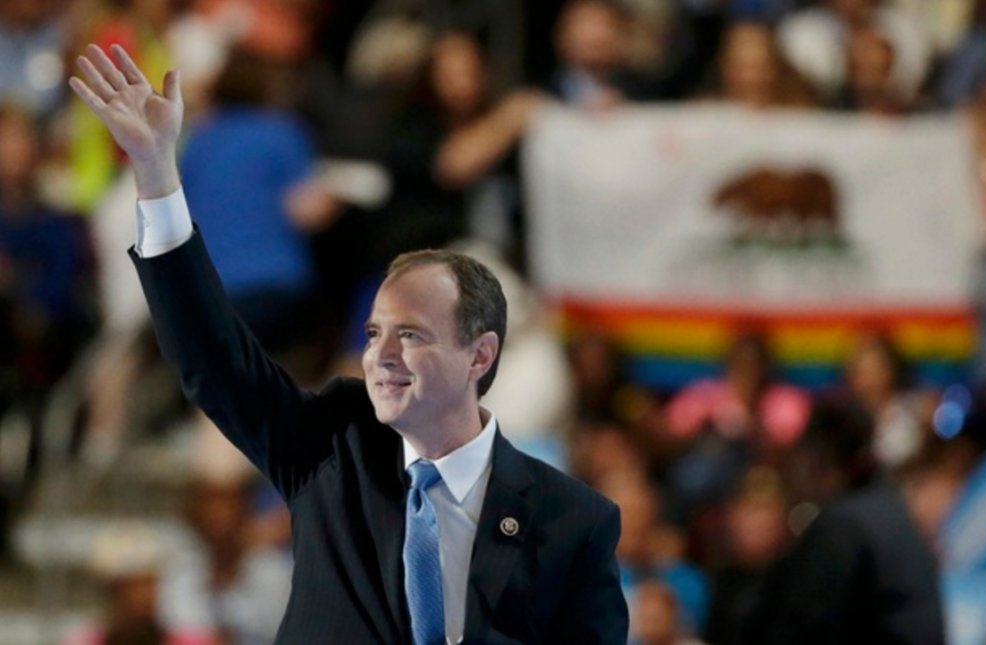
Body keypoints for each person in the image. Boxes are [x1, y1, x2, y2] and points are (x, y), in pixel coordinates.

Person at [69, 44, 628, 644]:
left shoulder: (572, 522)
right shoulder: (331, 450)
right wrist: (156, 172)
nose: (380, 354)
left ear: (480, 355)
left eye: (410, 334)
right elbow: (213, 357)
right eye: (373, 331)